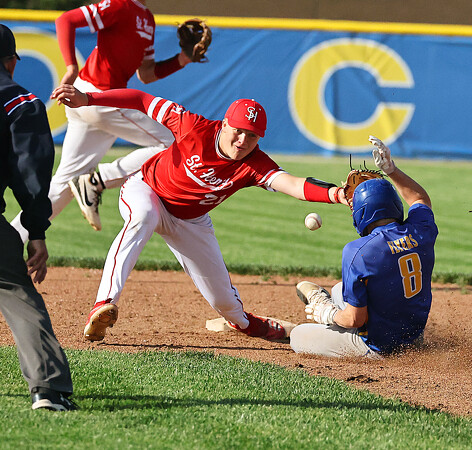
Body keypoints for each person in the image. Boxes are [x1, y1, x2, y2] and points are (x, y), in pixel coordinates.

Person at [51, 83, 349, 342]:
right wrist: (88, 99)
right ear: (224, 124)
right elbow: (141, 99)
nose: (243, 141)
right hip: (147, 190)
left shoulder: (254, 164)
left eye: (252, 136)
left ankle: (245, 324)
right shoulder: (192, 126)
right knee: (142, 218)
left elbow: (294, 184)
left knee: (226, 303)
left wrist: (337, 194)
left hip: (190, 221)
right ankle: (103, 305)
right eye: (238, 131)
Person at [11, 0, 199, 238]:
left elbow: (147, 73)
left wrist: (182, 59)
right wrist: (71, 67)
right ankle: (97, 181)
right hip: (98, 96)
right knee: (175, 142)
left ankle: (10, 240)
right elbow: (65, 20)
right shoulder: (120, 5)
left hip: (96, 101)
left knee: (64, 183)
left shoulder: (147, 19)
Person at [290, 136, 438, 358]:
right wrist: (390, 169)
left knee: (298, 336)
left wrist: (327, 313)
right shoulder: (421, 230)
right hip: (414, 337)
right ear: (395, 205)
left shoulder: (358, 251)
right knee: (340, 290)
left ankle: (323, 304)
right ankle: (329, 304)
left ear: (361, 214)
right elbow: (419, 199)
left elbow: (354, 319)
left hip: (379, 347)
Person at [0, 24, 76, 411]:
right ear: (12, 61)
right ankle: (48, 390)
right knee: (16, 293)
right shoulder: (20, 101)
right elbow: (30, 173)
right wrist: (36, 231)